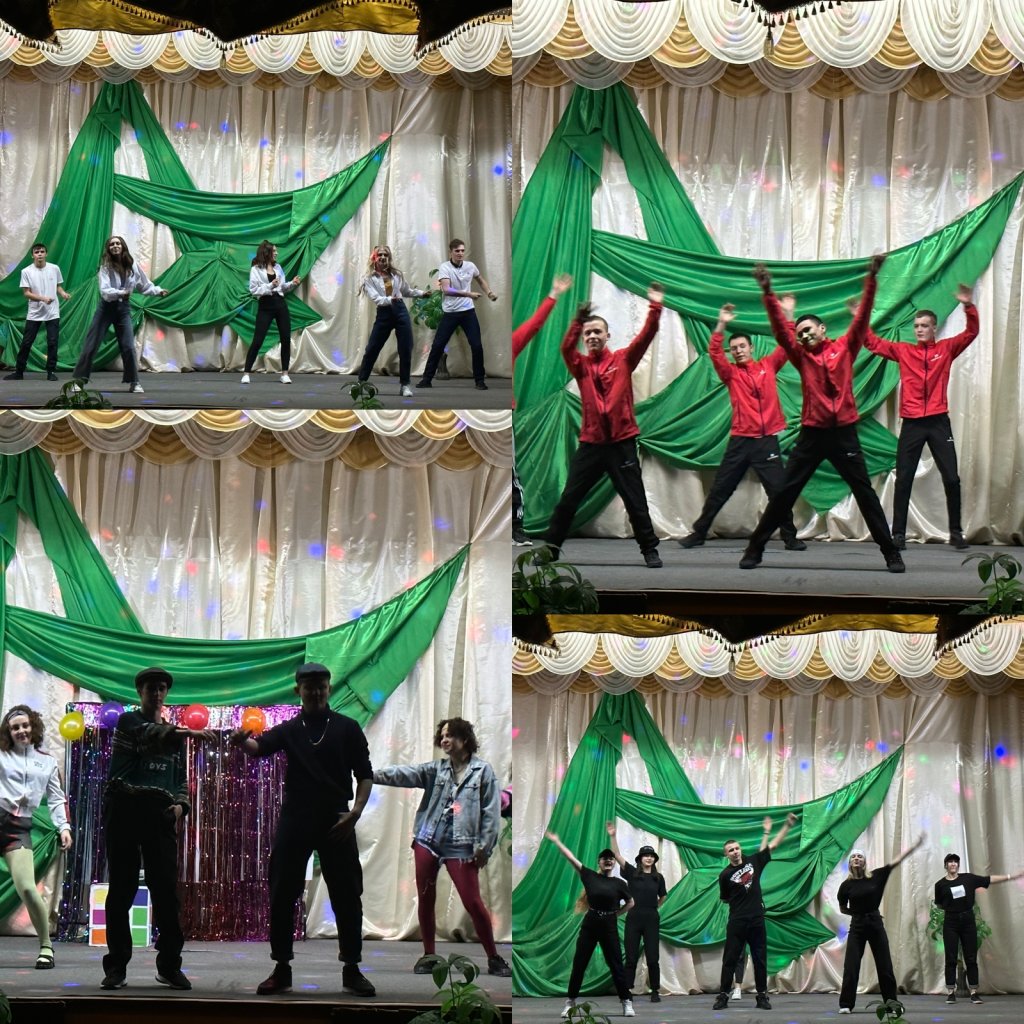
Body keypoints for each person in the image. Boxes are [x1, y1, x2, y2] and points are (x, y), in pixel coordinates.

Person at [740, 257, 905, 573]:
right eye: (800, 332)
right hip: (812, 435)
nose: (804, 335)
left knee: (865, 493)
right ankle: (754, 549)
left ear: (822, 329)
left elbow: (862, 321)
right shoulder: (801, 357)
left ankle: (891, 553)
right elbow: (781, 331)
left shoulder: (845, 348)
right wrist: (767, 291)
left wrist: (871, 280)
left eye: (809, 329)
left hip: (844, 434)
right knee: (785, 493)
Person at [229, 663, 376, 997]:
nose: (316, 692)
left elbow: (365, 773)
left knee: (347, 894)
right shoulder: (290, 728)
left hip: (337, 819)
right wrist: (242, 742)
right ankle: (281, 968)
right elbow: (259, 748)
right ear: (299, 691)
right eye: (309, 687)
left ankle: (352, 969)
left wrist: (355, 813)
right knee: (282, 891)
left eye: (321, 686)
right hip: (296, 817)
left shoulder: (348, 728)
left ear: (329, 688)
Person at [100, 667, 215, 991]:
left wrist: (180, 807)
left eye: (162, 688)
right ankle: (116, 967)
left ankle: (169, 966)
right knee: (121, 890)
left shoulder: (175, 736)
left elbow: (180, 779)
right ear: (140, 692)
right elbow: (147, 735)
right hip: (125, 809)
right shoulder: (129, 722)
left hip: (160, 815)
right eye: (151, 687)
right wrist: (187, 733)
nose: (157, 693)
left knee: (166, 893)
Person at [372, 717, 511, 977]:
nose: (445, 740)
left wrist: (485, 847)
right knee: (426, 898)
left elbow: (491, 813)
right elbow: (405, 774)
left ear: (464, 739)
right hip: (427, 840)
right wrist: (370, 774)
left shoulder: (483, 772)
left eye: (450, 735)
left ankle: (494, 958)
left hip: (462, 847)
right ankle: (429, 956)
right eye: (443, 736)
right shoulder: (436, 769)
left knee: (473, 902)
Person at [542, 284, 665, 569]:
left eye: (597, 331)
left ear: (607, 336)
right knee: (568, 500)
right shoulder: (580, 365)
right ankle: (550, 550)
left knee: (635, 501)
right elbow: (565, 347)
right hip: (591, 445)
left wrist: (655, 306)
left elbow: (647, 335)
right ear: (584, 339)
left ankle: (649, 550)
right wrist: (577, 322)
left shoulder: (624, 359)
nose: (592, 336)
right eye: (588, 333)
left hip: (622, 444)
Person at [679, 301, 804, 551]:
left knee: (778, 491)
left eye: (742, 346)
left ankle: (790, 537)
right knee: (720, 489)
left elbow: (788, 344)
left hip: (766, 441)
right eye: (734, 348)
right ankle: (699, 533)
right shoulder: (731, 374)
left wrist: (789, 314)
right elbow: (715, 352)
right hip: (740, 442)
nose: (738, 351)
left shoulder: (768, 366)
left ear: (751, 348)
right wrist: (721, 323)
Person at [863, 284, 979, 551]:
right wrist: (863, 317)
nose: (919, 330)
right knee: (904, 479)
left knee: (952, 478)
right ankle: (898, 534)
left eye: (924, 326)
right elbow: (872, 343)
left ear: (934, 328)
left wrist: (968, 306)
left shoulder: (947, 349)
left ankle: (956, 533)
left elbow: (971, 332)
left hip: (938, 422)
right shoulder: (905, 351)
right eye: (916, 326)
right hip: (912, 423)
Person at [0, 705, 73, 969]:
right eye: (15, 727)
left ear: (33, 726)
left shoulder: (47, 762)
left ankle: (46, 946)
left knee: (28, 889)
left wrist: (64, 827)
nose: (21, 730)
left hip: (16, 829)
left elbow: (56, 798)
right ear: (8, 731)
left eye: (25, 725)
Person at [545, 831, 635, 1019]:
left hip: (609, 925)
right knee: (579, 964)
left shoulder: (619, 883)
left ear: (613, 863)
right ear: (599, 862)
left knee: (616, 965)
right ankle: (570, 1002)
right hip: (591, 924)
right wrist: (557, 841)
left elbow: (631, 902)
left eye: (611, 859)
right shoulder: (589, 876)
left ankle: (626, 1002)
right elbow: (571, 859)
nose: (608, 860)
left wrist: (616, 914)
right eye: (604, 859)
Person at [511, 272, 573, 545]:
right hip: (470, 418)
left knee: (509, 474)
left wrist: (553, 295)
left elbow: (534, 326)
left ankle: (515, 527)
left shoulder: (510, 345)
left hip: (500, 420)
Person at [713, 812, 798, 1011]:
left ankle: (762, 996)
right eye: (731, 850)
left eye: (737, 848)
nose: (735, 852)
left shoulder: (753, 862)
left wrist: (786, 825)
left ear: (740, 849)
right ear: (726, 855)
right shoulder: (724, 875)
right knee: (730, 959)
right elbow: (725, 898)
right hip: (737, 922)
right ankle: (723, 996)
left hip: (756, 921)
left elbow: (772, 846)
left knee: (760, 959)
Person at [836, 834, 924, 1014]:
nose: (856, 859)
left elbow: (896, 861)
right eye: (853, 857)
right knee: (851, 966)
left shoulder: (876, 876)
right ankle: (846, 1004)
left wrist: (914, 846)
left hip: (875, 924)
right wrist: (857, 914)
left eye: (860, 856)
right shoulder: (846, 886)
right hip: (857, 926)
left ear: (864, 862)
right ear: (850, 863)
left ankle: (892, 1004)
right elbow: (843, 908)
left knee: (885, 966)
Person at [72, 235, 168, 394]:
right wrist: (122, 293)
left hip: (123, 310)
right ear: (108, 249)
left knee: (129, 346)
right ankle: (79, 381)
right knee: (91, 345)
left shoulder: (132, 265)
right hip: (106, 309)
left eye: (118, 243)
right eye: (112, 244)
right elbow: (105, 291)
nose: (115, 246)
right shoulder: (105, 267)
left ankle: (134, 382)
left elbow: (144, 285)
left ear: (123, 246)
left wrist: (158, 291)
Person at [933, 852, 1024, 1005]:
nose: (953, 864)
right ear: (946, 865)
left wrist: (1011, 876)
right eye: (950, 862)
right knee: (951, 957)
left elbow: (988, 879)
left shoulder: (968, 879)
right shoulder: (940, 885)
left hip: (968, 921)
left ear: (958, 865)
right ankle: (950, 992)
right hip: (951, 922)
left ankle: (974, 992)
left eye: (955, 861)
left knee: (970, 957)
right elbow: (939, 904)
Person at [416, 239, 497, 391]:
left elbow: (480, 279)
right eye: (457, 251)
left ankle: (480, 381)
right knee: (438, 345)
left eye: (462, 251)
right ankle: (426, 379)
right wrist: (468, 294)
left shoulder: (470, 266)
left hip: (468, 312)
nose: (460, 253)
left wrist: (489, 292)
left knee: (477, 345)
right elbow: (447, 290)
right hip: (450, 313)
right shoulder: (445, 267)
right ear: (451, 252)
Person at [605, 822, 667, 1002]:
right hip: (634, 918)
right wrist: (612, 836)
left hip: (651, 919)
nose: (649, 858)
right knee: (631, 957)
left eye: (651, 856)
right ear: (640, 859)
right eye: (646, 856)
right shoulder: (632, 873)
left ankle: (655, 990)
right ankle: (627, 991)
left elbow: (663, 896)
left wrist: (654, 907)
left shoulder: (658, 877)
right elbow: (617, 855)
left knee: (653, 957)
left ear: (654, 860)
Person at [357, 244, 428, 397]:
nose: (383, 257)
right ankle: (361, 383)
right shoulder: (369, 278)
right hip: (384, 313)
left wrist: (422, 293)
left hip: (400, 311)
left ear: (389, 258)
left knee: (405, 348)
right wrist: (391, 299)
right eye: (380, 255)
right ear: (374, 258)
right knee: (372, 349)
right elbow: (377, 299)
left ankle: (405, 385)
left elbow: (406, 291)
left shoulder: (396, 275)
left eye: (386, 255)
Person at [3, 243, 71, 382]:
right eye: (36, 252)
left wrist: (63, 293)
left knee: (53, 342)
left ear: (46, 254)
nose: (39, 254)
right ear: (32, 255)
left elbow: (58, 286)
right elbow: (26, 293)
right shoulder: (26, 271)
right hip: (34, 313)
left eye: (42, 251)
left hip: (52, 312)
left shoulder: (54, 268)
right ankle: (19, 372)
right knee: (27, 342)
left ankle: (51, 371)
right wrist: (43, 298)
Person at [241, 240, 301, 385]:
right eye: (274, 251)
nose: (276, 253)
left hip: (280, 304)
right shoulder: (256, 269)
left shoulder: (278, 267)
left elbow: (282, 287)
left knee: (285, 338)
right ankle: (246, 373)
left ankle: (285, 374)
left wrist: (292, 284)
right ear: (266, 252)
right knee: (258, 340)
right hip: (265, 306)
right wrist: (270, 285)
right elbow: (253, 290)